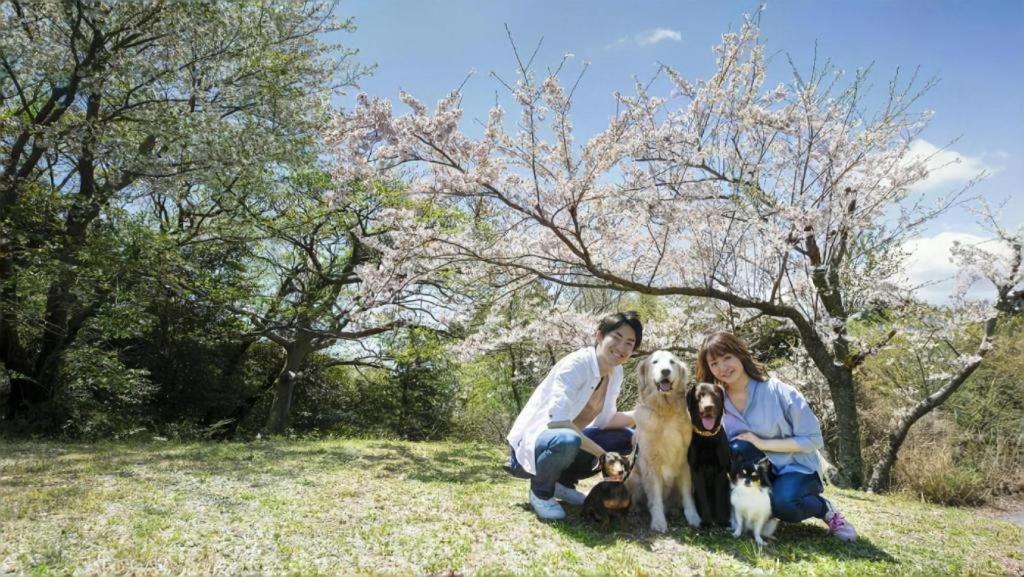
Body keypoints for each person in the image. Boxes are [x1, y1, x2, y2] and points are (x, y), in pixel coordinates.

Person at [695, 331, 858, 542]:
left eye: (727, 358)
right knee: (735, 450)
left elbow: (813, 439)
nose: (723, 368)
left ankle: (825, 509)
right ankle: (758, 509)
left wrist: (763, 443)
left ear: (740, 355)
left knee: (784, 504)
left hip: (797, 468)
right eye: (714, 363)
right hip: (758, 474)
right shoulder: (716, 401)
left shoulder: (778, 391)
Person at [505, 311, 642, 521]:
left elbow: (607, 420)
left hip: (566, 442)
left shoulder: (615, 372)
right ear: (599, 336)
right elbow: (557, 422)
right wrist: (602, 455)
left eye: (629, 343)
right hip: (535, 445)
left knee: (624, 436)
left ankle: (562, 484)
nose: (622, 348)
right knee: (567, 439)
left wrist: (644, 414)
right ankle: (541, 492)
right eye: (616, 337)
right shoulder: (577, 364)